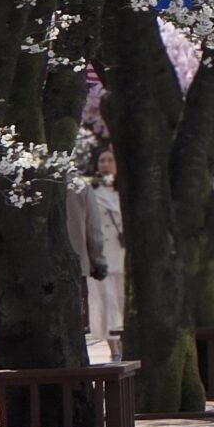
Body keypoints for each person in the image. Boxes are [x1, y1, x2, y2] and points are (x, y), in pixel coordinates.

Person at [76, 147, 127, 359]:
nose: (105, 164)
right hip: (101, 253)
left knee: (123, 302)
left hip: (122, 253)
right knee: (105, 302)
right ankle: (114, 349)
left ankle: (125, 344)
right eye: (102, 161)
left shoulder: (124, 190)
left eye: (109, 160)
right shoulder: (91, 191)